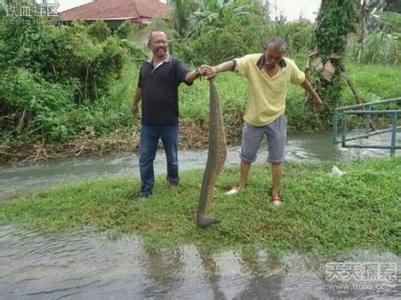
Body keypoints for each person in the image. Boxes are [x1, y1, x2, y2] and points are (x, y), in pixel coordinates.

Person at [202, 37, 322, 205]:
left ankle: (275, 193)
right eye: (269, 56)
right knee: (246, 156)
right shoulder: (251, 61)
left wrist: (315, 97)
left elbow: (303, 81)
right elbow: (233, 64)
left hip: (277, 118)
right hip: (254, 119)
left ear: (283, 55)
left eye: (276, 58)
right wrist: (215, 68)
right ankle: (241, 185)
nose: (271, 60)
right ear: (264, 49)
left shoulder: (289, 66)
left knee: (277, 158)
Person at [131, 31, 202, 198]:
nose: (162, 45)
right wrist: (134, 104)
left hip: (169, 122)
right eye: (157, 42)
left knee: (172, 157)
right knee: (146, 158)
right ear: (150, 45)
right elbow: (140, 87)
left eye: (164, 41)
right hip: (148, 124)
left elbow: (187, 76)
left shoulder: (175, 64)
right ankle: (146, 190)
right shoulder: (145, 66)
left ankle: (173, 181)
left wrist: (198, 71)